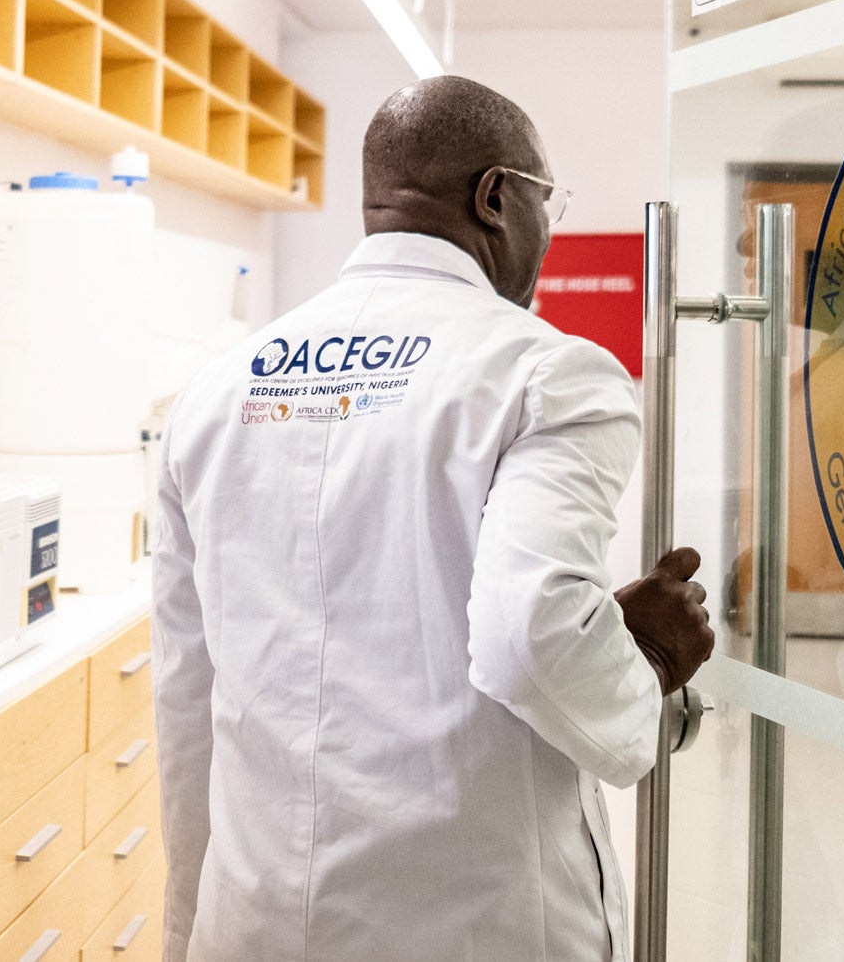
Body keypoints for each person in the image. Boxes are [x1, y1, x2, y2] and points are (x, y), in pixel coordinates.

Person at [151, 75, 716, 961]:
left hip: (253, 920)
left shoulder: (217, 391)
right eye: (545, 201)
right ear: (496, 197)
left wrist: (186, 931)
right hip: (466, 923)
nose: (547, 229)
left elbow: (185, 697)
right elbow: (529, 633)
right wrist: (641, 660)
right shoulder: (547, 373)